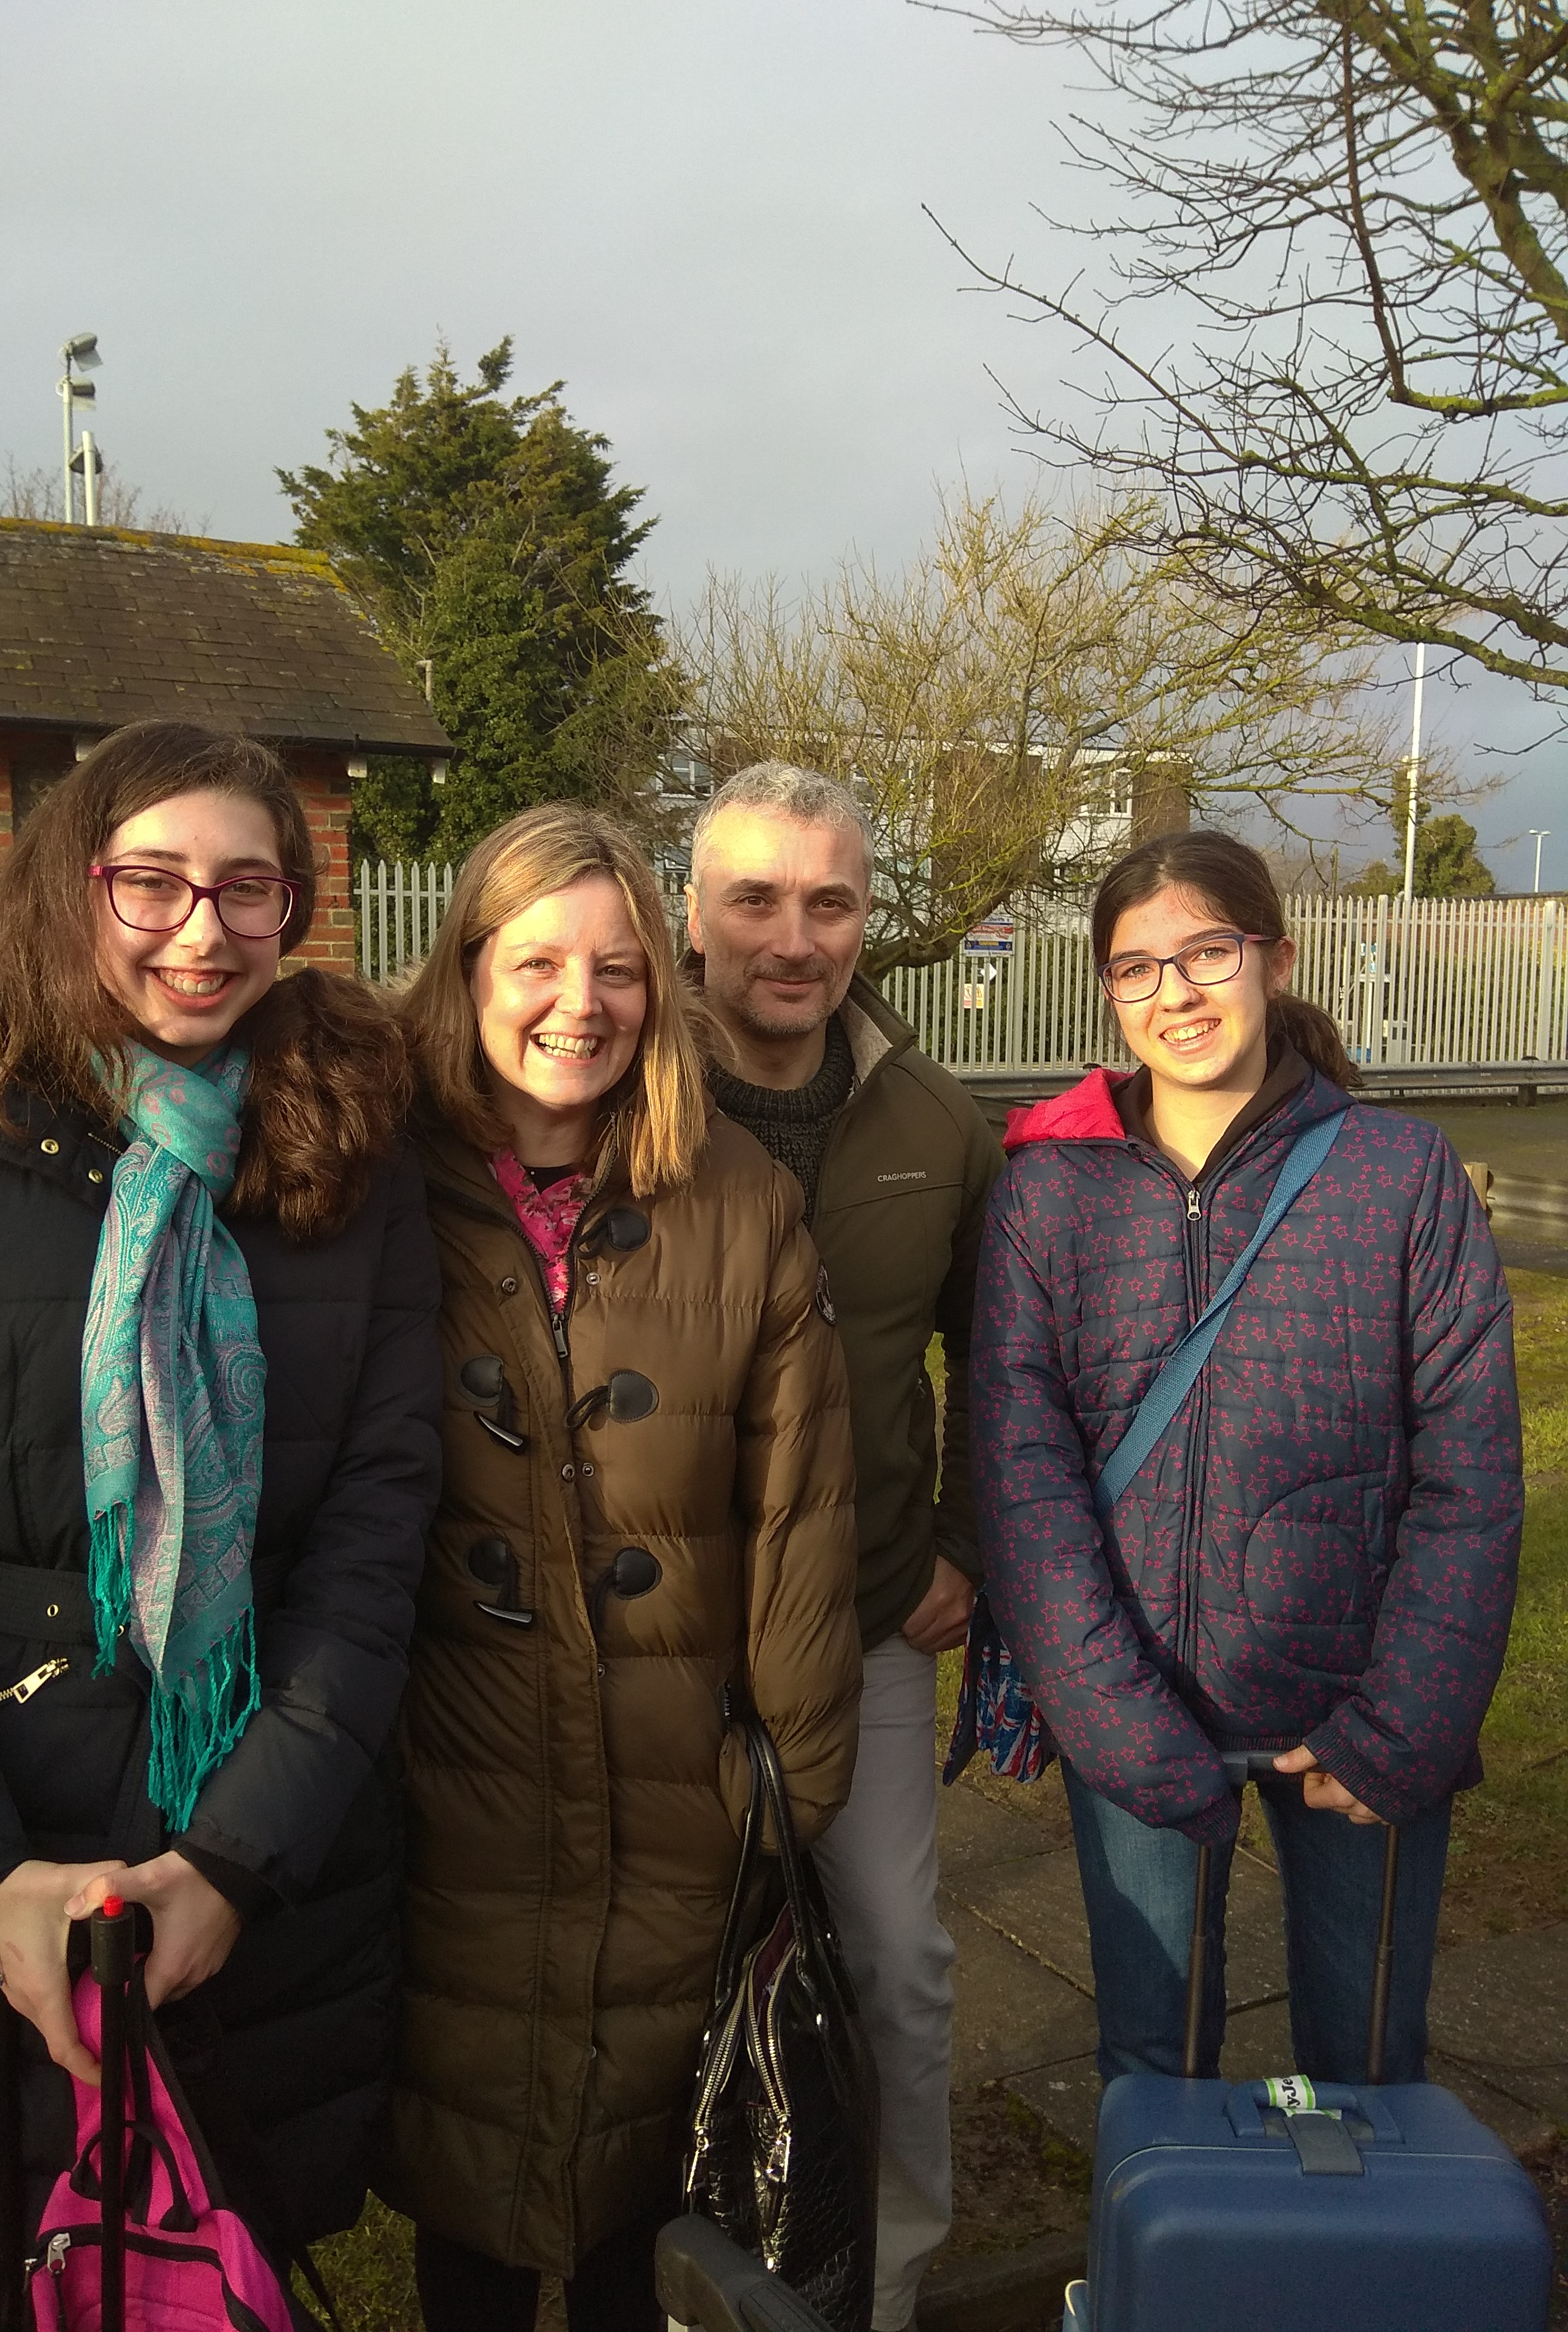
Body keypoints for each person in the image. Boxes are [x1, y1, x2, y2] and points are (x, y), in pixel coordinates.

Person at [0, 720, 442, 2309]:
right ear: (72, 887)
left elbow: (376, 1541)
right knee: (10, 2247)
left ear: (295, 908)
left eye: (248, 888)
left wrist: (236, 1860)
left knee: (220, 2258)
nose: (201, 931)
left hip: (264, 1825)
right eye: (150, 882)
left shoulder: (349, 1155)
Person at [384, 801, 861, 2332]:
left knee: (638, 2215)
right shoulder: (372, 1178)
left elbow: (798, 1511)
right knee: (466, 2180)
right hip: (446, 1786)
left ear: (659, 985)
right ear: (469, 967)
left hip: (674, 1794)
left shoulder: (738, 1196)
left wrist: (784, 1793)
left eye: (617, 967)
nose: (577, 1004)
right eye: (537, 961)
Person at [974, 829, 1523, 2088]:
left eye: (1208, 952)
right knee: (1153, 2067)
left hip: (1359, 1710)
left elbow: (1472, 1479)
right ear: (1110, 994)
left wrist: (1406, 1724)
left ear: (1275, 960)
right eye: (1138, 968)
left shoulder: (1402, 1177)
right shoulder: (1049, 1196)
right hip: (1136, 1705)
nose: (1176, 992)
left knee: (1368, 2069)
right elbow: (1022, 1477)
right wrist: (1114, 1723)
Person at [684, 762, 1004, 2332]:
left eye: (830, 901)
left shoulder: (937, 1122)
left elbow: (999, 1356)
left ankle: (880, 2284)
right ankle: (689, 2266)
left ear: (868, 917)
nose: (794, 938)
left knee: (895, 1965)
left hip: (867, 1623)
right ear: (692, 913)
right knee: (673, 1975)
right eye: (756, 898)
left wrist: (962, 1542)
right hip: (663, 1633)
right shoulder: (622, 1092)